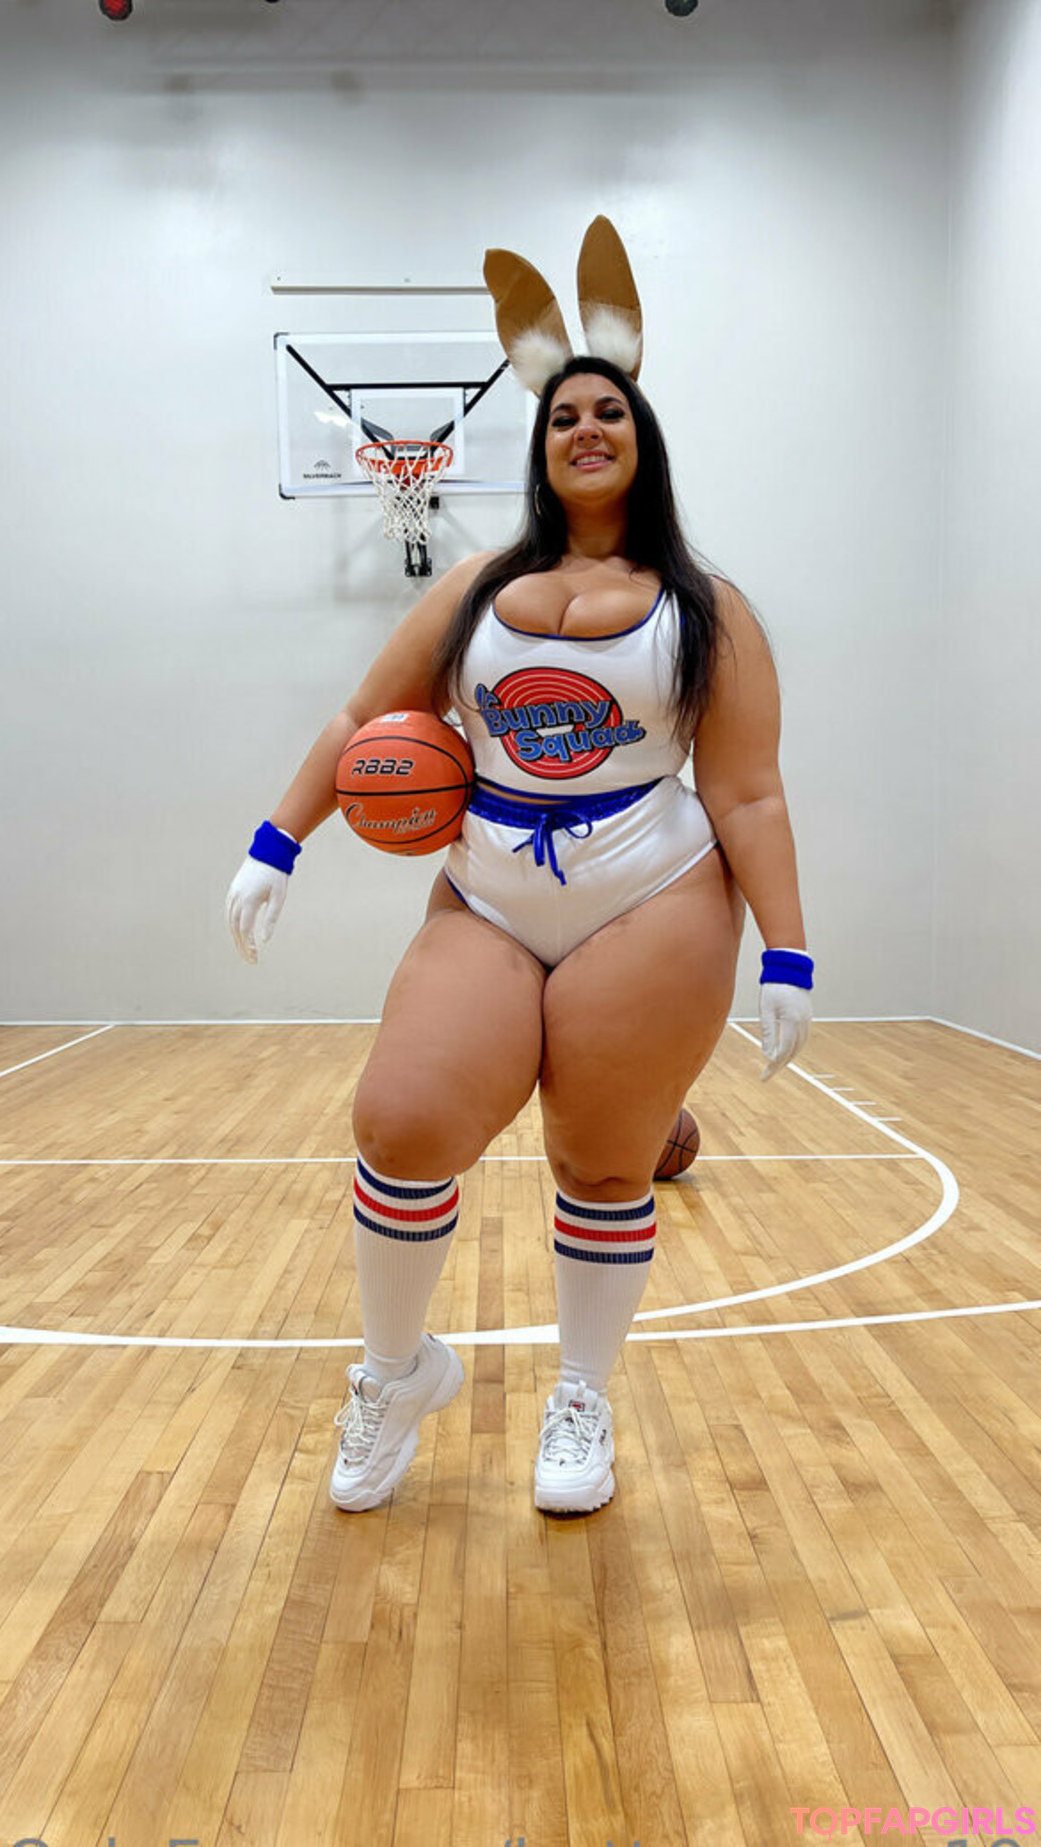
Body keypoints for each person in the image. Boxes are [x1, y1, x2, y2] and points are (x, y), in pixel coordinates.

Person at [228, 222, 812, 1515]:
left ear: (644, 437)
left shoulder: (707, 608)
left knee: (604, 1163)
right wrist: (277, 843)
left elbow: (748, 790)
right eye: (563, 416)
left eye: (609, 411)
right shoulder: (475, 591)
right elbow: (364, 722)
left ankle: (582, 1394)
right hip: (487, 888)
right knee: (402, 1122)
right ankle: (397, 1373)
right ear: (539, 447)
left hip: (651, 894)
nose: (586, 428)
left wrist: (790, 947)